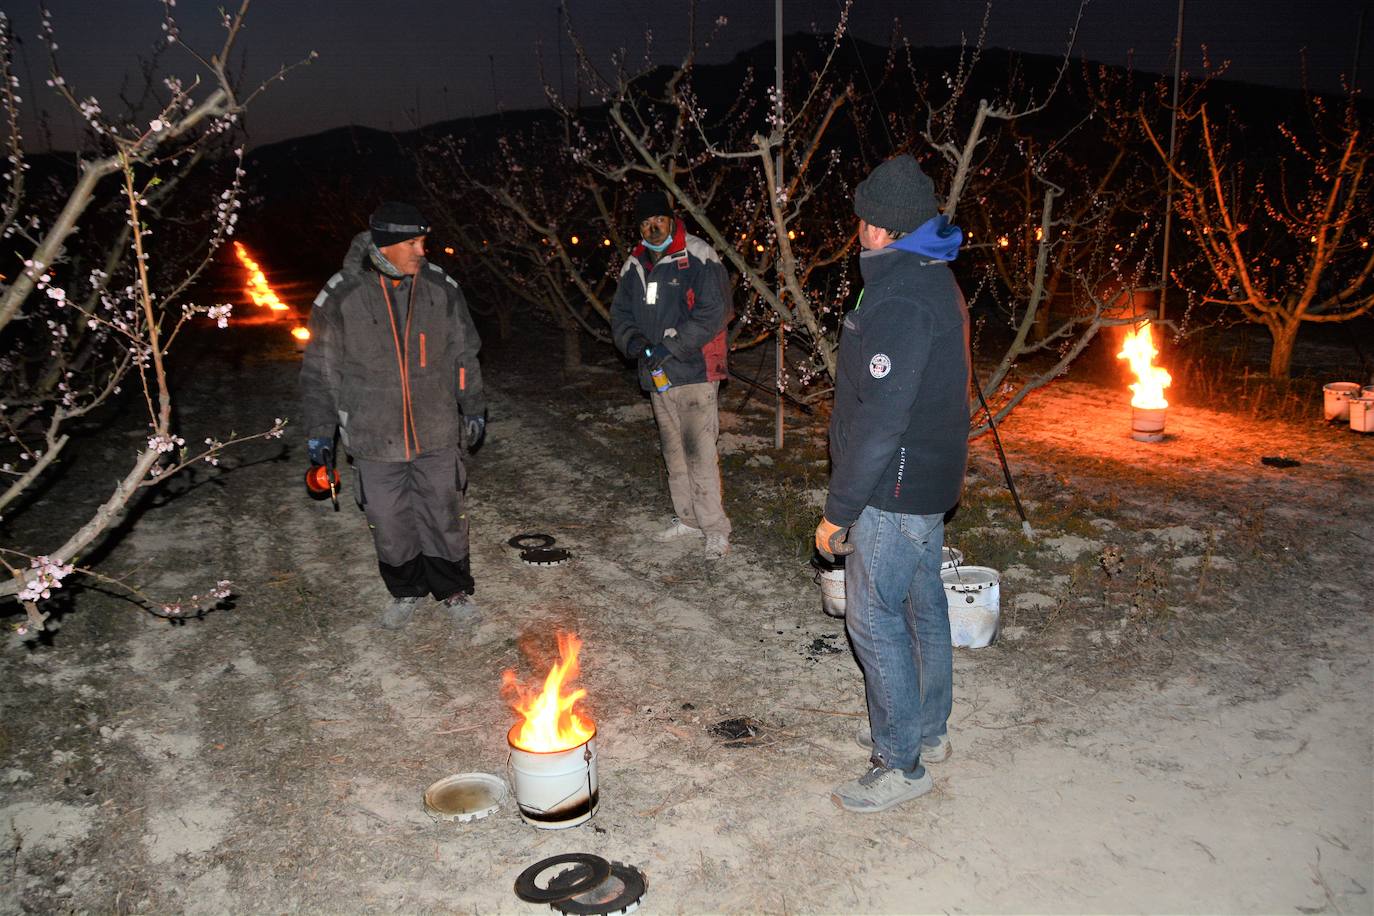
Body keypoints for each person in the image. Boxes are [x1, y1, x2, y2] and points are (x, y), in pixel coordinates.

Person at [814, 154, 970, 813]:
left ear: (880, 227)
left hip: (895, 486)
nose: (856, 227)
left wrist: (839, 508)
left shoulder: (901, 296)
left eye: (861, 217)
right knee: (922, 602)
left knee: (872, 616)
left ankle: (899, 762)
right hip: (929, 475)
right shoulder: (928, 275)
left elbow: (881, 416)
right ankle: (924, 728)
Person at [300, 201, 487, 629]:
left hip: (436, 428)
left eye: (424, 241)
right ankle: (406, 590)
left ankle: (454, 591)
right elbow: (320, 371)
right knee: (388, 519)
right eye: (413, 243)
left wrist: (473, 405)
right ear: (385, 246)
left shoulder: (441, 286)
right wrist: (319, 434)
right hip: (373, 434)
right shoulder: (342, 293)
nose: (423, 251)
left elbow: (464, 353)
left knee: (443, 511)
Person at [611, 189, 733, 560]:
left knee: (699, 452)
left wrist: (672, 345)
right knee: (673, 453)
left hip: (693, 371)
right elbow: (620, 314)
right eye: (645, 223)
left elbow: (715, 312)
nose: (652, 228)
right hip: (656, 374)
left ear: (671, 218)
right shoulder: (634, 265)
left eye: (658, 220)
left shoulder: (697, 255)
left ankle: (715, 529)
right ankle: (688, 519)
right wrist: (633, 343)